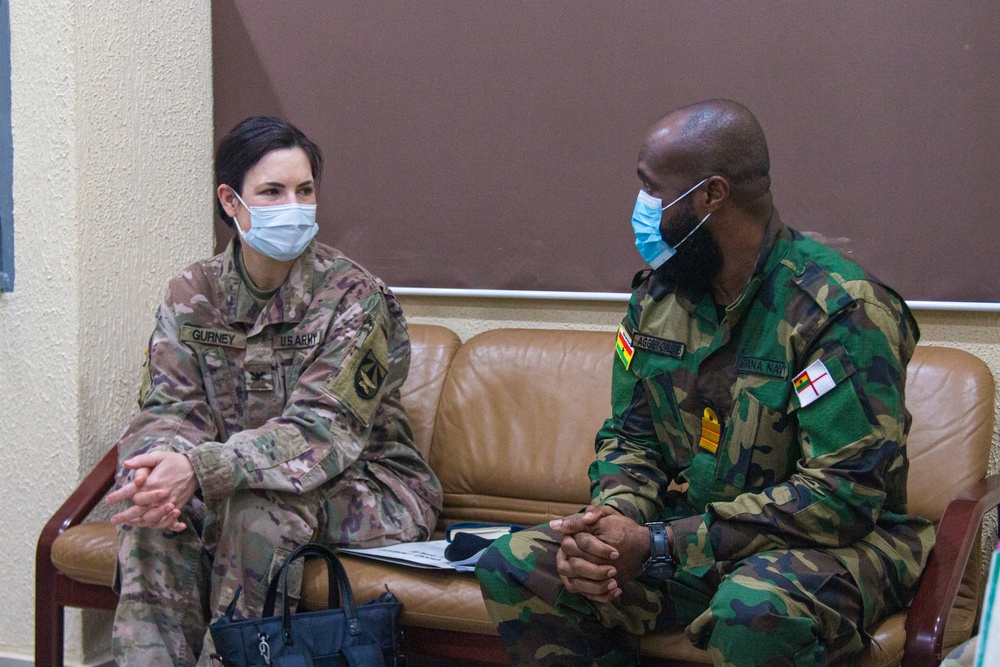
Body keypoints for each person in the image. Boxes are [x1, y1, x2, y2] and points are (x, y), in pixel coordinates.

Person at [475, 99, 934, 666]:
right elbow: (632, 437)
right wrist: (611, 526)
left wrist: (664, 545)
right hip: (694, 540)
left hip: (837, 547)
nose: (641, 206)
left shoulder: (839, 311)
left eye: (650, 187)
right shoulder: (660, 299)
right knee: (516, 563)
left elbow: (844, 494)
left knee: (753, 608)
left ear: (710, 195)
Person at [106, 115, 442, 666]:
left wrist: (203, 468)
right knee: (151, 523)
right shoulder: (194, 294)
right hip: (233, 477)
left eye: (304, 190)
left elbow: (320, 433)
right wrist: (154, 470)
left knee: (255, 508)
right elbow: (168, 408)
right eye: (272, 191)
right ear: (231, 201)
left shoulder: (354, 298)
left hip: (369, 486)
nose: (294, 205)